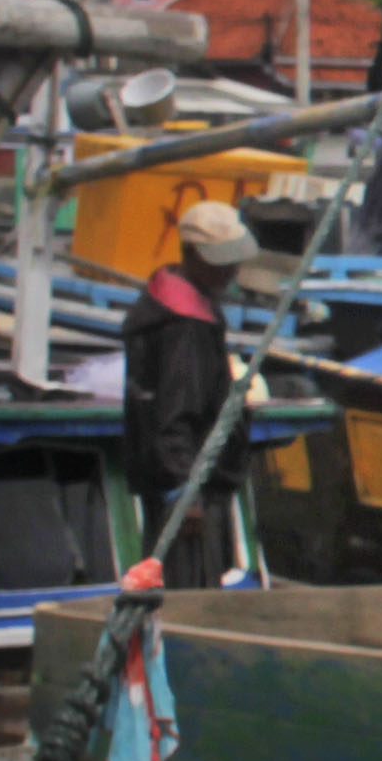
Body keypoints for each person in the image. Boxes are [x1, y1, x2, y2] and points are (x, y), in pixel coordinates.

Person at [121, 198, 256, 585]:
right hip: (184, 489)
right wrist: (185, 490)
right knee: (186, 592)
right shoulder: (184, 326)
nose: (231, 269)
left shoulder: (171, 305)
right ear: (195, 255)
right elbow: (175, 411)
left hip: (179, 482)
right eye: (222, 260)